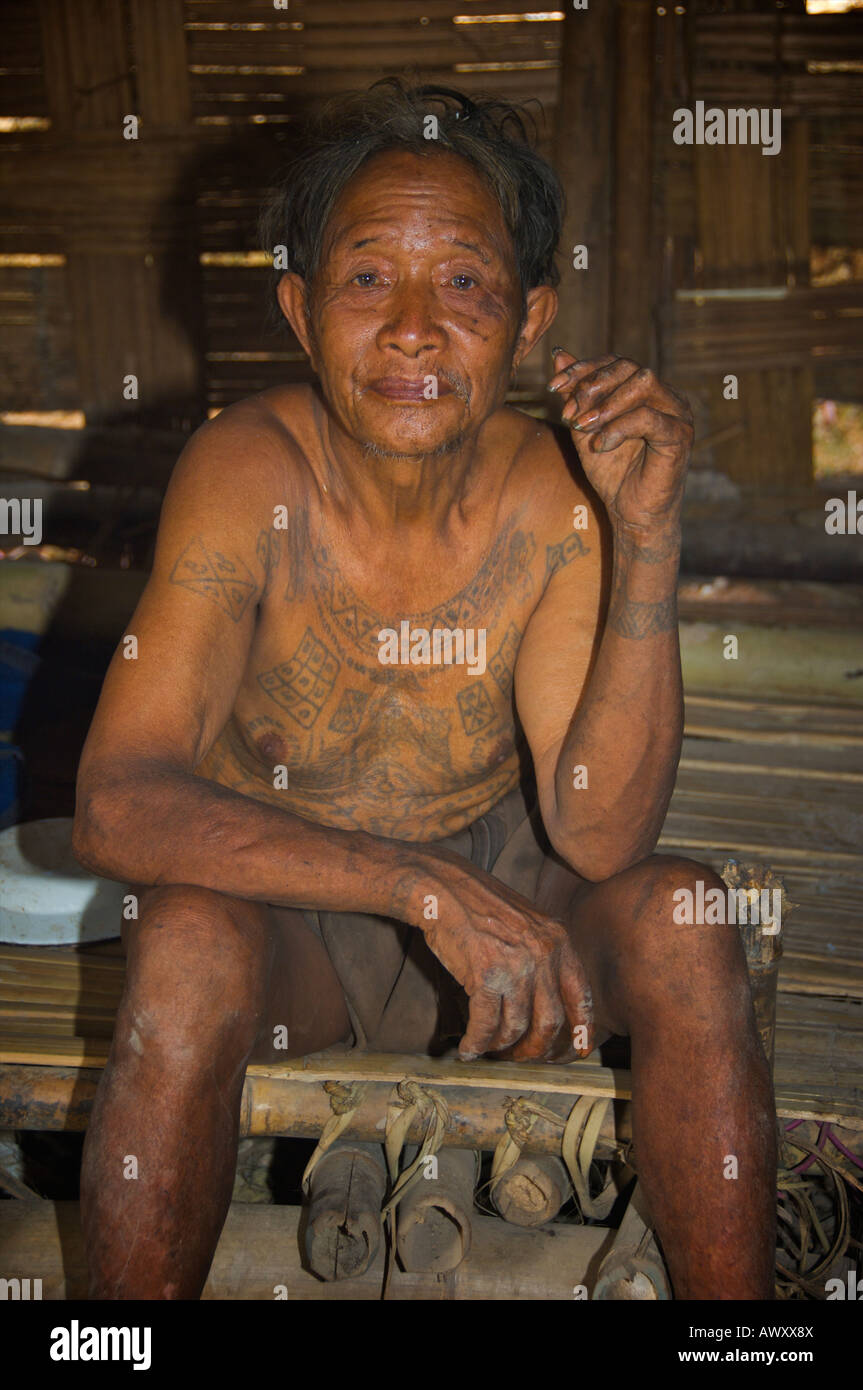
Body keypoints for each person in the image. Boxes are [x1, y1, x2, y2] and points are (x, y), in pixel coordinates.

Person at [73, 79, 776, 1300]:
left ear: (528, 319)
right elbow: (118, 805)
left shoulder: (556, 496)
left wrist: (648, 537)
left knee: (685, 919)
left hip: (517, 924)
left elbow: (602, 830)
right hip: (294, 925)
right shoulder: (245, 474)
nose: (411, 327)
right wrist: (410, 883)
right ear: (298, 310)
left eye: (461, 281)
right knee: (179, 943)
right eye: (364, 279)